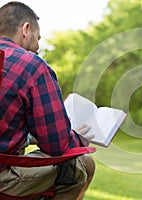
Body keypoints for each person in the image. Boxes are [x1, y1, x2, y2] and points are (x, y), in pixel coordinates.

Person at [0, 2, 95, 199]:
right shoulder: (31, 66)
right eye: (38, 38)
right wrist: (77, 138)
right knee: (76, 166)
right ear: (26, 30)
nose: (38, 46)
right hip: (3, 177)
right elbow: (58, 146)